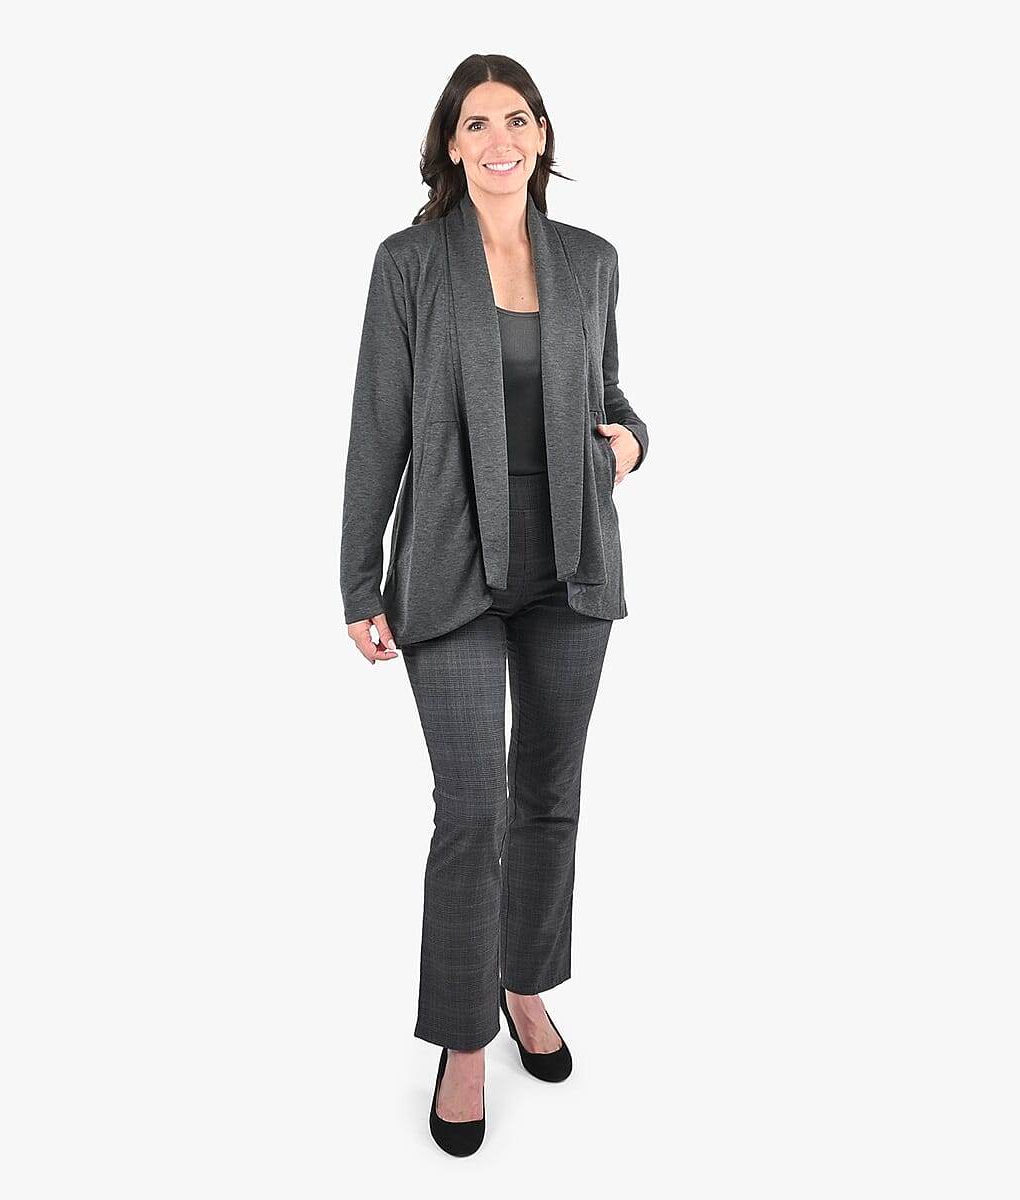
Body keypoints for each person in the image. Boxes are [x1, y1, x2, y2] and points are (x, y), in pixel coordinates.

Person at [338, 53, 650, 1157]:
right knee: (472, 810)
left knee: (550, 798)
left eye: (516, 119)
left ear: (543, 134)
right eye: (477, 124)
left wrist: (633, 442)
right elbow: (378, 423)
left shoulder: (591, 261)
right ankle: (464, 1039)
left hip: (571, 567)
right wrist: (358, 578)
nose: (499, 139)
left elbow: (611, 396)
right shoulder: (410, 263)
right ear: (451, 144)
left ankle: (526, 985)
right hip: (451, 569)